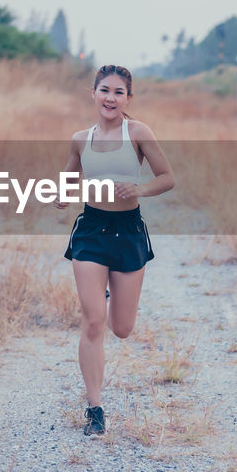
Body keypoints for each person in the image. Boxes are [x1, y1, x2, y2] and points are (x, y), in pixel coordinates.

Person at [55, 65, 175, 435]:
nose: (110, 97)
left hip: (128, 231)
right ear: (93, 93)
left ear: (128, 99)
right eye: (104, 90)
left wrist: (138, 190)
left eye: (118, 92)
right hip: (91, 230)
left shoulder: (138, 133)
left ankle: (109, 291)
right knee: (93, 321)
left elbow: (167, 178)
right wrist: (60, 194)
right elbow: (70, 176)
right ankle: (95, 408)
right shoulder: (80, 138)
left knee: (121, 328)